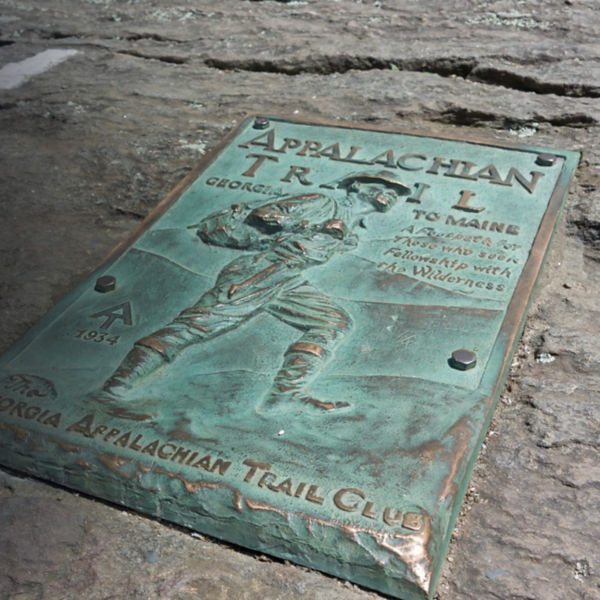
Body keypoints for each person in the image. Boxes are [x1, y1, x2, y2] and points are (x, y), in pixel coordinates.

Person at [102, 171, 409, 412]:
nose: (390, 194)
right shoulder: (323, 203)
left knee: (332, 322)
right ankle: (114, 388)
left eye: (396, 192)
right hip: (260, 270)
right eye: (381, 184)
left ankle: (285, 395)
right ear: (355, 186)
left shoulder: (354, 225)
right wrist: (309, 227)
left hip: (288, 277)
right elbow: (265, 214)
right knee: (197, 326)